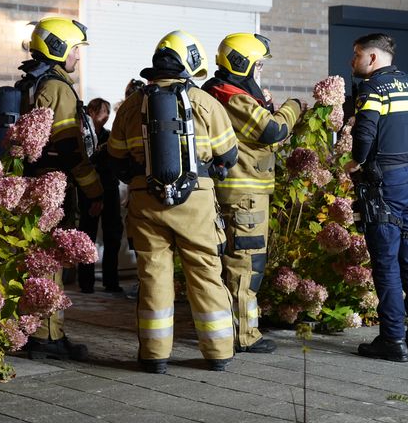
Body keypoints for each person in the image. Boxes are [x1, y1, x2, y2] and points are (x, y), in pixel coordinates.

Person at [107, 30, 238, 373]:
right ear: (191, 61)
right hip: (196, 201)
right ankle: (219, 352)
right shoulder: (206, 102)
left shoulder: (133, 104)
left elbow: (115, 158)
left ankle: (154, 355)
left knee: (152, 276)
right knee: (206, 274)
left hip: (144, 199)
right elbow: (229, 153)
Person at [343, 33, 408, 362]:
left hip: (383, 186)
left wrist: (357, 161)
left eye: (357, 55)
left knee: (386, 264)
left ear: (372, 58)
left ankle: (392, 340)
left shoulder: (373, 88)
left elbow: (364, 132)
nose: (353, 61)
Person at [202, 33, 304, 354]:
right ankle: (244, 335)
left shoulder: (218, 91)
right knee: (245, 264)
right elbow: (272, 132)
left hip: (234, 190)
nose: (260, 71)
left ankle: (226, 329)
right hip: (243, 193)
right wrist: (293, 107)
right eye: (257, 65)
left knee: (229, 261)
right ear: (242, 64)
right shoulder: (232, 96)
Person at [17, 16, 104, 361]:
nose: (78, 57)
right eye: (75, 49)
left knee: (36, 260)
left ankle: (36, 332)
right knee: (52, 262)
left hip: (29, 185)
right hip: (54, 190)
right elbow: (70, 150)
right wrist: (94, 190)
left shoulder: (30, 83)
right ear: (59, 48)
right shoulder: (59, 88)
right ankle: (48, 336)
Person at [77, 98, 124, 294]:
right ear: (92, 112)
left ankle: (111, 281)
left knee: (113, 236)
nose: (107, 116)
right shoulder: (83, 137)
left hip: (110, 191)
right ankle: (86, 283)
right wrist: (96, 197)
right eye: (104, 112)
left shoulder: (108, 137)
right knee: (87, 236)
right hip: (89, 192)